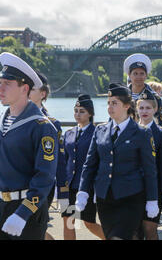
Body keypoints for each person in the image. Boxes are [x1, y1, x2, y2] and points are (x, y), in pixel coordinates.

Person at [76, 83, 159, 240]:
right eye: (108, 103)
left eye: (114, 103)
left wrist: (152, 199)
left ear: (127, 105)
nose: (110, 107)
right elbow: (90, 165)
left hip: (130, 198)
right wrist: (83, 191)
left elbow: (150, 170)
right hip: (104, 199)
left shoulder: (141, 133)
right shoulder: (100, 131)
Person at [0, 52, 58, 240]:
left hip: (27, 212)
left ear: (24, 88)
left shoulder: (41, 126)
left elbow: (45, 176)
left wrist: (23, 213)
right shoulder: (3, 121)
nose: (0, 88)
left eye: (7, 84)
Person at [28, 72, 67, 240]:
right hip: (15, 185)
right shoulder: (11, 119)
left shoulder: (51, 123)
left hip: (41, 187)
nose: (26, 91)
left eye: (31, 88)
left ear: (42, 94)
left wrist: (63, 194)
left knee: (34, 229)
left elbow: (59, 161)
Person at [60, 95, 105, 240]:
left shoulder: (97, 133)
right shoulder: (69, 133)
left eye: (82, 111)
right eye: (76, 111)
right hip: (69, 186)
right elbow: (65, 160)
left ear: (90, 114)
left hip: (87, 187)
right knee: (68, 221)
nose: (78, 114)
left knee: (89, 223)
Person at [136, 89, 162, 240]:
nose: (144, 111)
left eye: (148, 108)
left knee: (150, 230)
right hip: (132, 188)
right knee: (133, 232)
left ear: (155, 109)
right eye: (141, 107)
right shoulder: (130, 130)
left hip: (154, 189)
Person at [124, 53, 162, 125]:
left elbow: (159, 124)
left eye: (142, 73)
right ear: (129, 75)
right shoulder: (122, 96)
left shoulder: (155, 97)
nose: (139, 77)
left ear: (146, 75)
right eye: (135, 73)